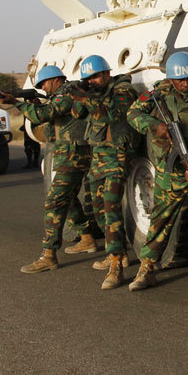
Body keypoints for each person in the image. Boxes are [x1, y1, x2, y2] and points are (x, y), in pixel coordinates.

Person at [126, 52, 188, 303]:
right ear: (170, 79)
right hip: (170, 171)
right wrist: (155, 126)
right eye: (179, 81)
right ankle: (147, 269)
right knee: (159, 221)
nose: (185, 84)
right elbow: (133, 114)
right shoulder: (159, 92)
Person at [8, 65, 100, 274]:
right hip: (70, 153)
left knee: (54, 202)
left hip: (74, 154)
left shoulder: (67, 93)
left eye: (44, 84)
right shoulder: (61, 94)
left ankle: (49, 255)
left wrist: (16, 104)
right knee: (67, 199)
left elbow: (44, 115)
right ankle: (86, 237)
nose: (43, 88)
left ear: (54, 80)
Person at [69, 55, 140, 290]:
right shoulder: (94, 93)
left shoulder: (123, 90)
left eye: (96, 76)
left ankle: (117, 264)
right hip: (99, 157)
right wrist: (81, 95)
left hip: (118, 156)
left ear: (108, 74)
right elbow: (78, 114)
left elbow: (114, 115)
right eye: (88, 78)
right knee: (98, 208)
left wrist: (88, 98)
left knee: (111, 210)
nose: (93, 81)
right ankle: (115, 253)